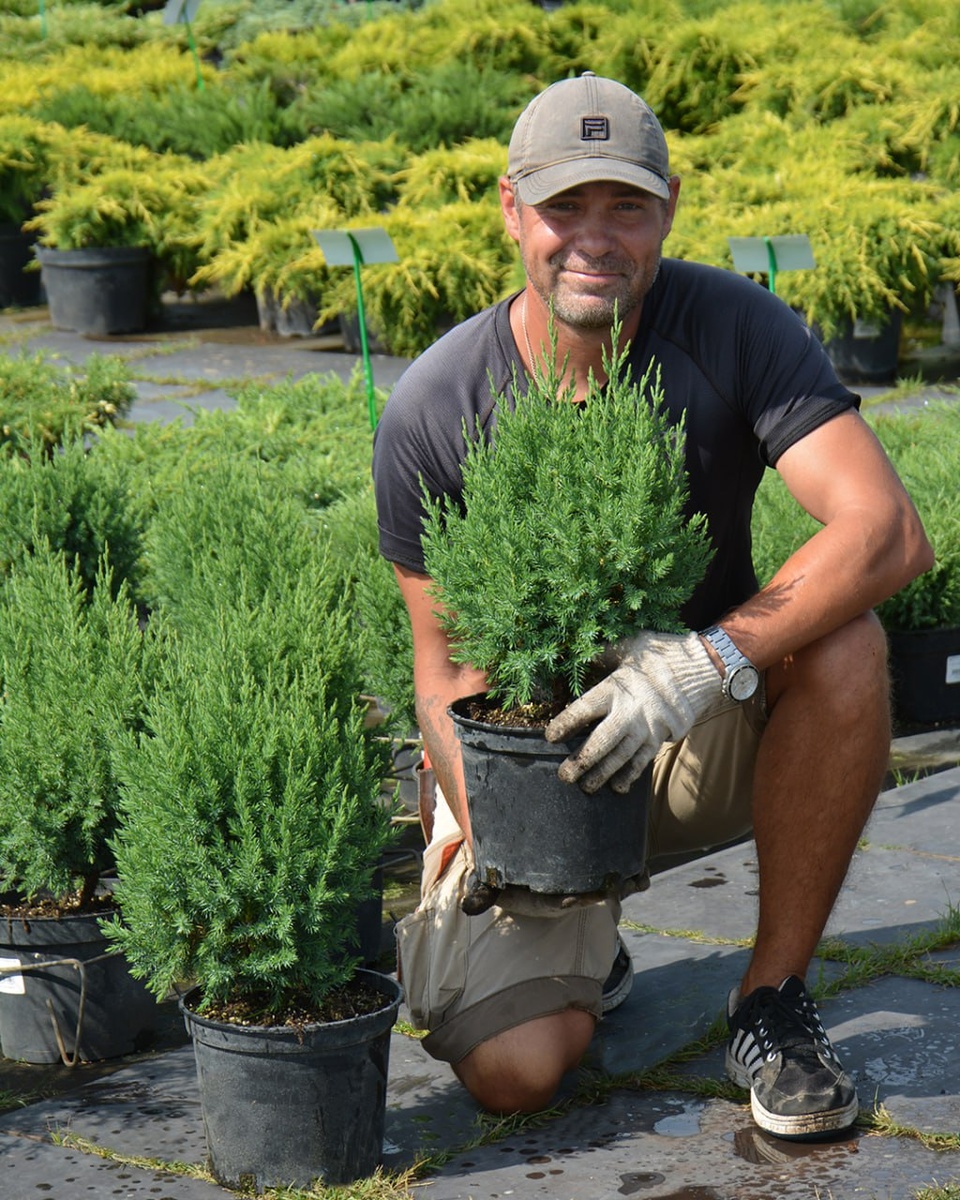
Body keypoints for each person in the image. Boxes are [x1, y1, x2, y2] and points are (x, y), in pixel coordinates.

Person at [371, 72, 934, 1139]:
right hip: (533, 763)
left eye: (625, 205)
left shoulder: (734, 328)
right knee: (514, 1074)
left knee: (846, 641)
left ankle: (770, 1001)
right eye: (564, 206)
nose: (595, 239)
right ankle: (589, 944)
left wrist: (699, 663)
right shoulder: (438, 408)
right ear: (510, 210)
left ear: (669, 208)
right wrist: (498, 830)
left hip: (692, 726)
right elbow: (444, 671)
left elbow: (887, 529)